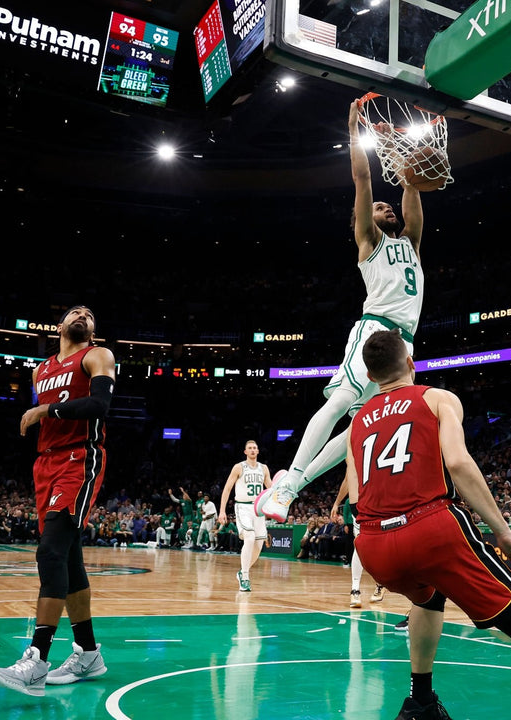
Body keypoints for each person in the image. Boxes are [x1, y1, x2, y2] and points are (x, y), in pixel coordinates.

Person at [345, 329, 511, 720]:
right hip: (429, 529)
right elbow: (459, 462)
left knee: (428, 596)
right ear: (411, 365)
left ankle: (421, 701)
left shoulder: (357, 423)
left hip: (374, 546)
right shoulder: (436, 398)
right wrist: (502, 529)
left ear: (369, 377)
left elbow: (354, 497)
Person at [256, 98, 426, 524]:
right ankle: (288, 485)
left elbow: (410, 190)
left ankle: (287, 488)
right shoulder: (369, 242)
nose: (385, 206)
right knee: (342, 403)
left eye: (389, 207)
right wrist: (355, 128)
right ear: (363, 220)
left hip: (404, 343)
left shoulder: (411, 243)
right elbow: (362, 175)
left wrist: (406, 160)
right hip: (374, 332)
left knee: (358, 430)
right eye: (377, 206)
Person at [0, 305, 114, 696]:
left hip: (81, 457)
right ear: (59, 326)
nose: (83, 315)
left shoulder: (97, 355)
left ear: (92, 330)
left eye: (90, 314)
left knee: (51, 553)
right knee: (70, 560)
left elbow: (98, 406)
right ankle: (89, 654)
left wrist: (45, 408)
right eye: (75, 312)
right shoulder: (39, 369)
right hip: (46, 464)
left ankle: (37, 661)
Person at [219, 440, 273, 592]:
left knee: (258, 545)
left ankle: (242, 571)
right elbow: (227, 488)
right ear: (245, 452)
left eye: (255, 448)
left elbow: (271, 489)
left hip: (258, 509)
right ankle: (246, 576)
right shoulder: (239, 467)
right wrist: (222, 510)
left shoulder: (264, 468)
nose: (252, 450)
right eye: (250, 448)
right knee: (249, 537)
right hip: (243, 506)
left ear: (258, 451)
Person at [330, 476, 386, 608]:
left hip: (381, 501)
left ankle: (380, 583)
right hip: (360, 506)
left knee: (378, 546)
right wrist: (337, 503)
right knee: (359, 544)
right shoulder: (353, 458)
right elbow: (348, 479)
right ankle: (355, 590)